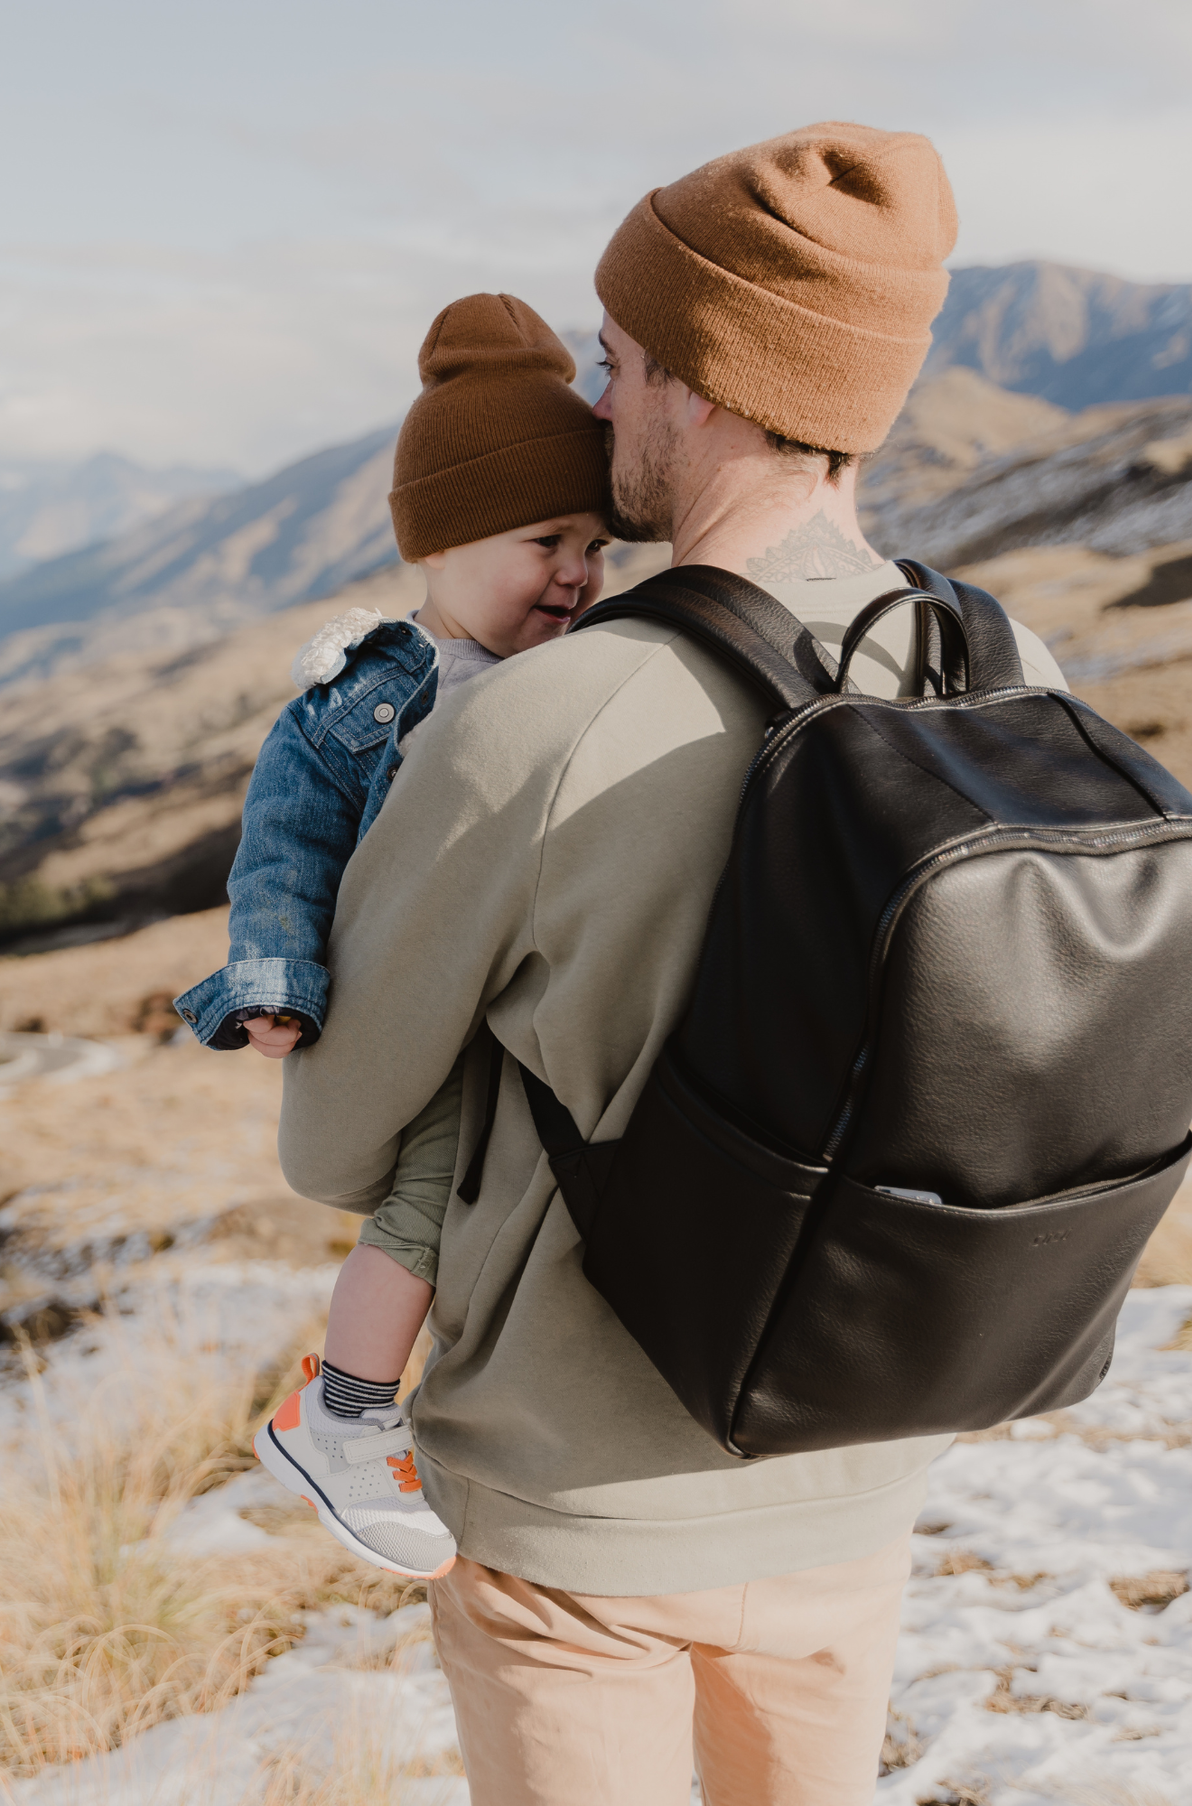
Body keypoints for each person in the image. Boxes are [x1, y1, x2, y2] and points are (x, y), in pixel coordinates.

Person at [278, 122, 1067, 1805]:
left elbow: (332, 1139)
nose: (602, 402)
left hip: (582, 1518)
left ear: (709, 382)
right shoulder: (1006, 669)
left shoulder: (544, 718)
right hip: (863, 1464)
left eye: (622, 359)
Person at [174, 293, 612, 1580]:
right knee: (421, 1207)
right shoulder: (367, 693)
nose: (577, 570)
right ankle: (346, 1412)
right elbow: (285, 845)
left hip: (524, 996)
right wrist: (276, 982)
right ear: (449, 536)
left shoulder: (584, 666)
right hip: (412, 1004)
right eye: (546, 538)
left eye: (594, 542)